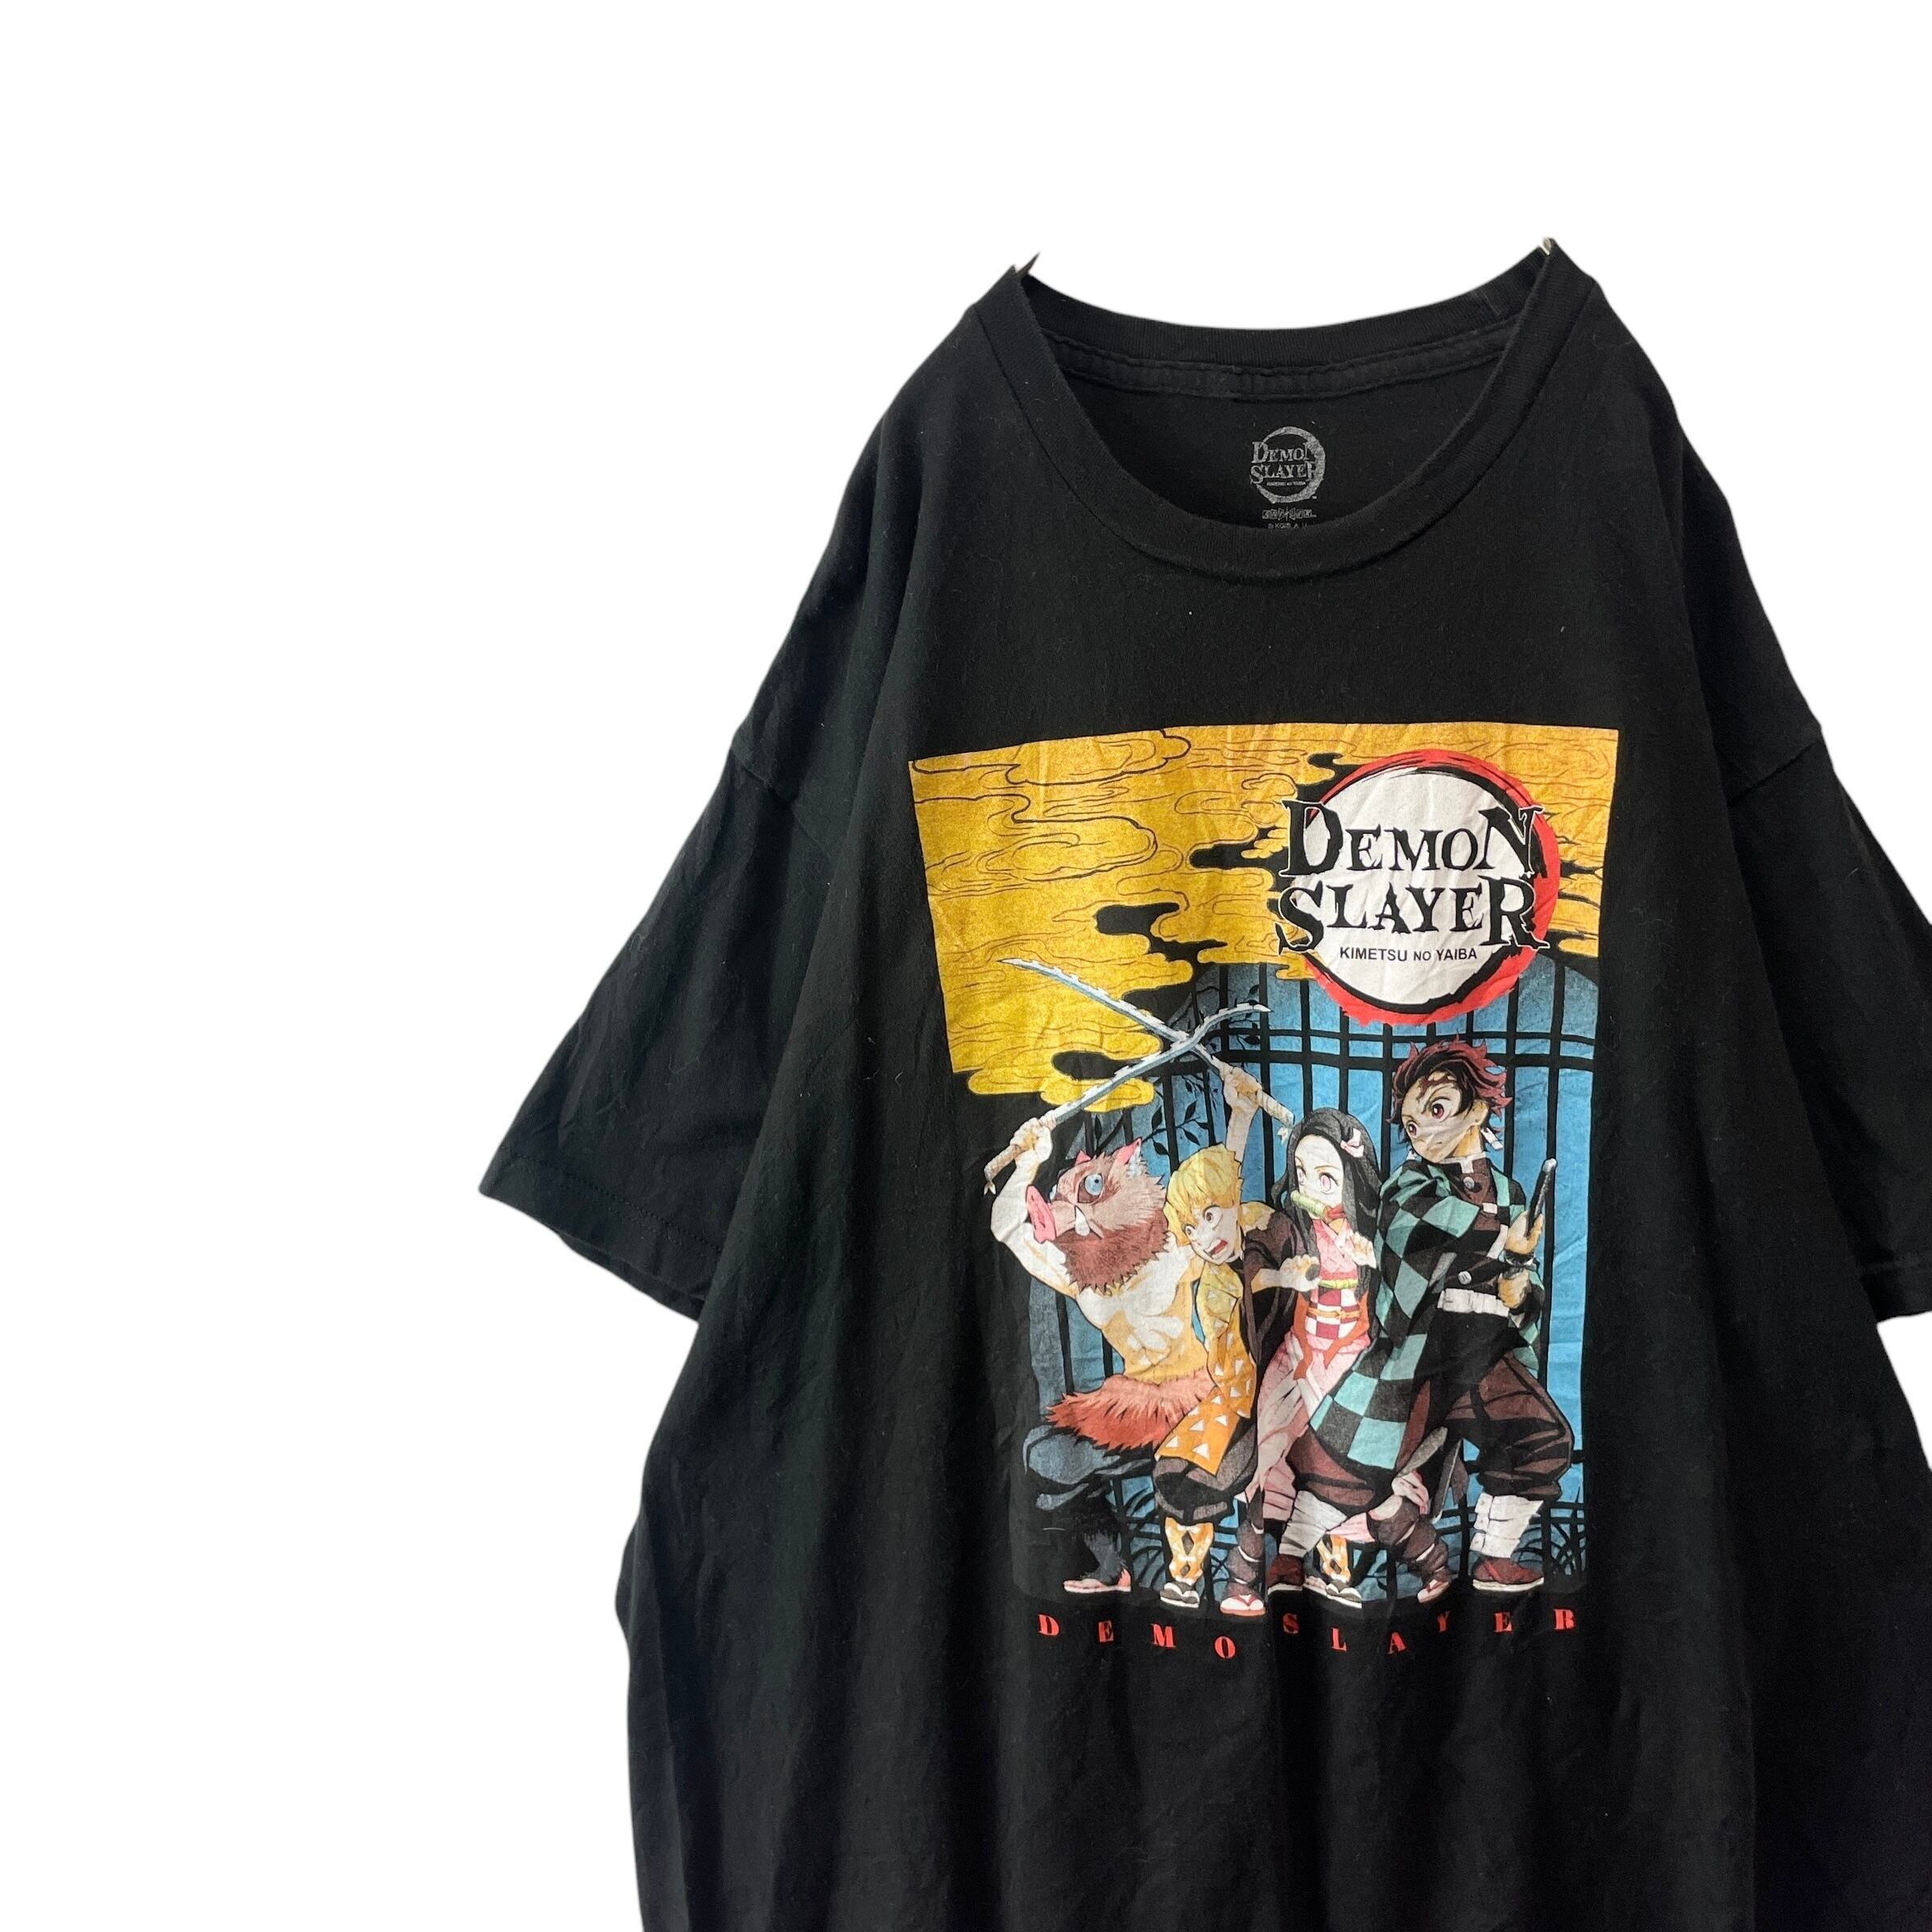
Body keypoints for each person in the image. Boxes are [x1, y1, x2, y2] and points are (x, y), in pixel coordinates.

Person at [1279, 1042, 1574, 1600]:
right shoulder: (1409, 1185)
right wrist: (1502, 1242)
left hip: (1486, 1351)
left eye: (1437, 1109)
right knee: (1353, 1461)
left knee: (1539, 1436)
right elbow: (1416, 1232)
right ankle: (1289, 1558)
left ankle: (1494, 1557)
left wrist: (1519, 1291)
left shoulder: (1511, 1194)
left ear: (1478, 1109)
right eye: (1412, 1123)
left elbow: (1526, 1281)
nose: (1423, 1133)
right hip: (1422, 1350)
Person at [990, 1067, 1262, 1596]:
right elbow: (1006, 1227)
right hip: (1129, 1403)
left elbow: (1222, 1191)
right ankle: (1111, 1564)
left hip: (1191, 1397)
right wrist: (1028, 1163)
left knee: (1174, 1476)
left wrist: (1243, 1114)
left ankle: (1192, 1565)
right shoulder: (1077, 1276)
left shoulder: (1174, 1247)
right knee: (1045, 1456)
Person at [1224, 1110, 1384, 1611]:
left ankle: (1335, 1572)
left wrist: (1378, 1264)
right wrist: (1284, 1278)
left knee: (1346, 1464)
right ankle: (1249, 1570)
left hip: (1354, 1358)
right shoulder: (1287, 1226)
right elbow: (1249, 1268)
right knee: (1269, 1451)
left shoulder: (1375, 1229)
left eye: (1327, 1177)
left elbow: (1408, 1291)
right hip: (1300, 1354)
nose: (1310, 1187)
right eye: (1301, 1172)